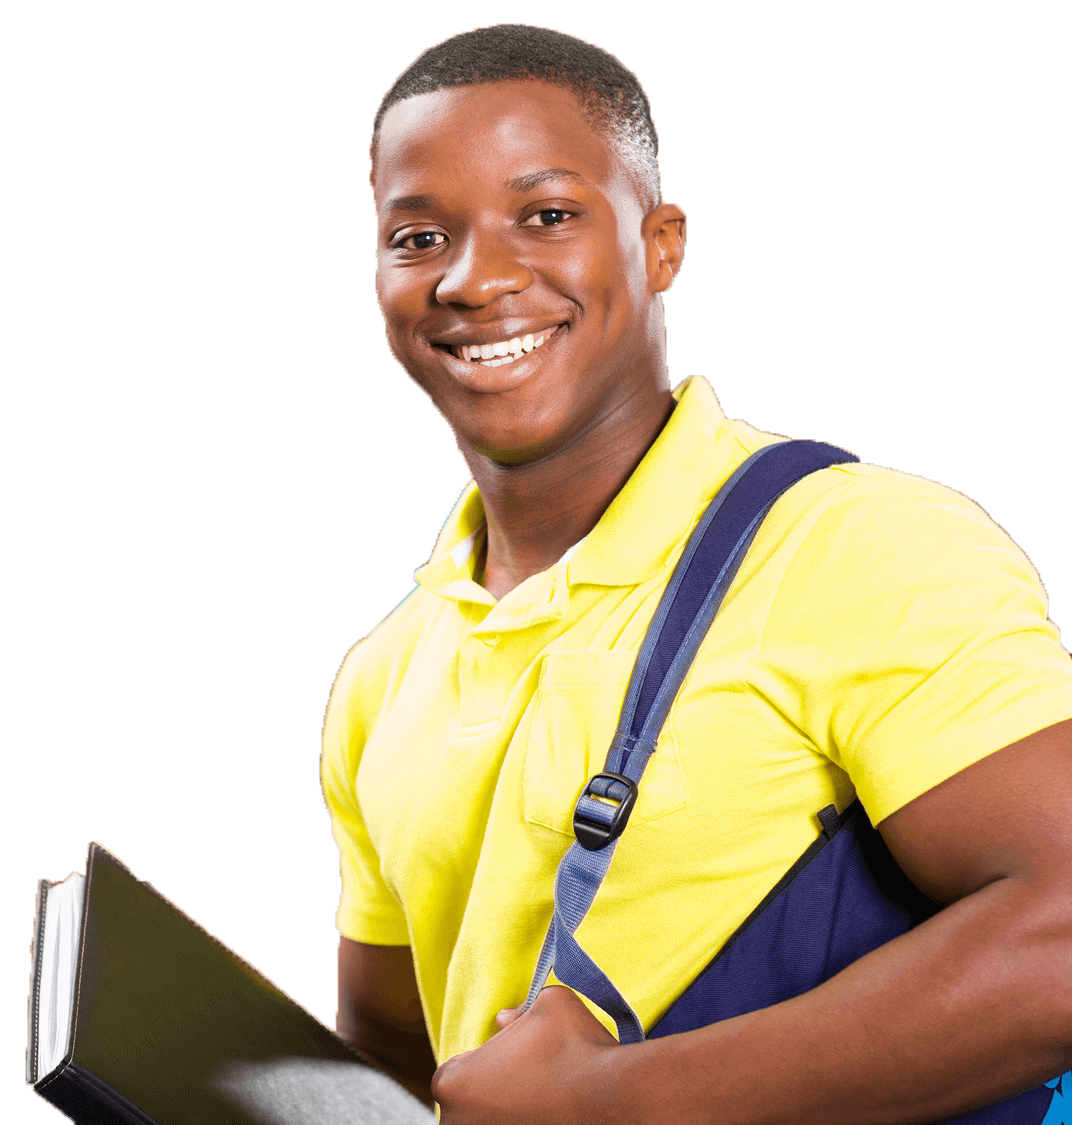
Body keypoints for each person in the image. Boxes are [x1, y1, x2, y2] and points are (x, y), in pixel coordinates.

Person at [322, 23, 1072, 1124]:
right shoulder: (382, 673)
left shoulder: (853, 544)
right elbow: (389, 1060)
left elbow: (1061, 939)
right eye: (420, 237)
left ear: (660, 244)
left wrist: (610, 1101)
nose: (475, 280)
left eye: (547, 215)